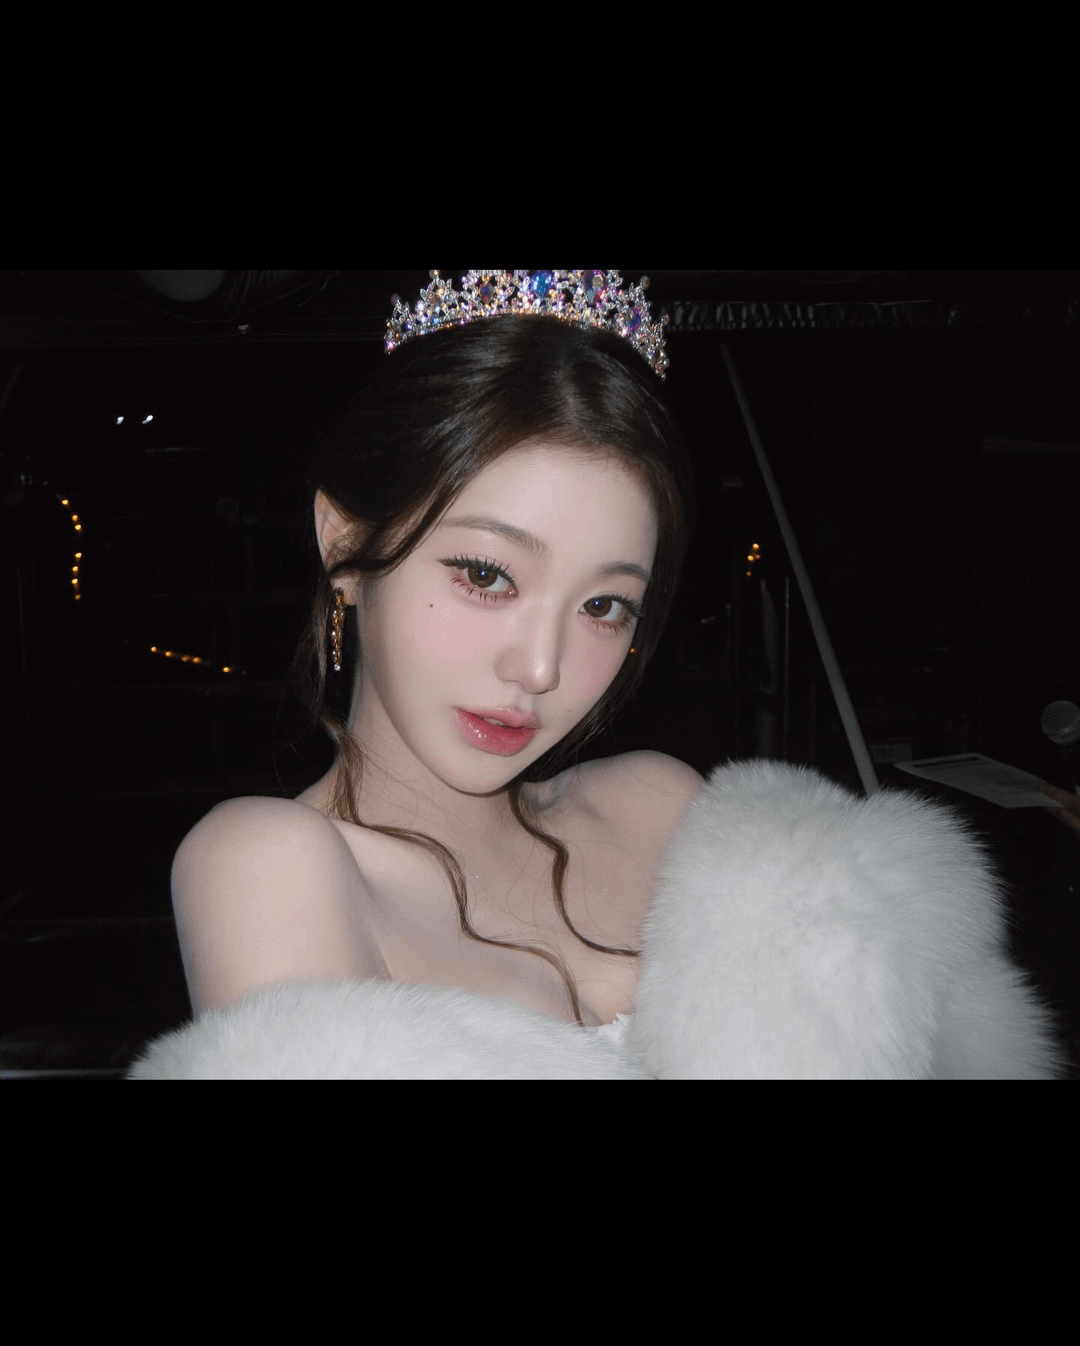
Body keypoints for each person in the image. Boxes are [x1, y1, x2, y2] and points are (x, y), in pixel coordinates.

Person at [169, 269, 705, 1033]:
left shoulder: (662, 806)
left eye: (603, 606)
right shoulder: (267, 867)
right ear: (345, 545)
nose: (539, 669)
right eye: (486, 576)